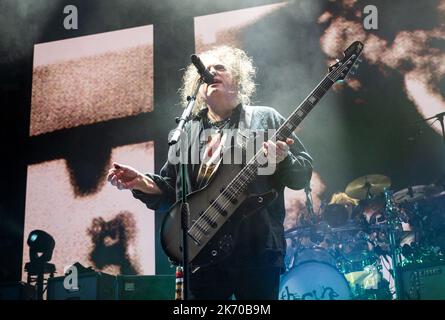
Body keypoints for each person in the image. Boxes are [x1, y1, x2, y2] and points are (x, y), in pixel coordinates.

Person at [107, 46, 313, 300]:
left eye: (221, 67)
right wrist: (142, 182)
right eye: (207, 70)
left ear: (237, 80)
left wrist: (283, 159)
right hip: (201, 255)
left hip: (255, 249)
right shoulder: (187, 133)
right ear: (198, 88)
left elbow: (301, 174)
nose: (212, 72)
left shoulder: (264, 119)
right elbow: (175, 193)